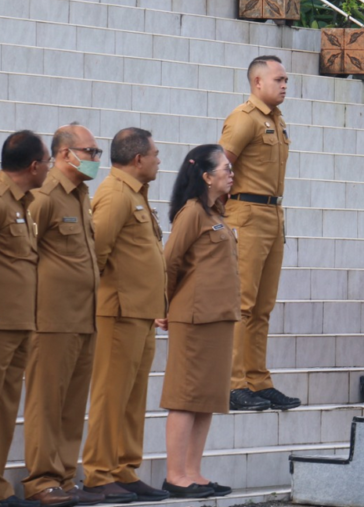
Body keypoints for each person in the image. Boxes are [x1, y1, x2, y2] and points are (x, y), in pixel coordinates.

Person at [81, 128, 171, 503]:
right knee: (110, 394)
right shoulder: (116, 194)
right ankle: (98, 473)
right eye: (155, 153)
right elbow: (95, 255)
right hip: (118, 313)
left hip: (140, 312)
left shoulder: (135, 194)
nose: (158, 159)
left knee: (132, 398)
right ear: (138, 159)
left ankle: (124, 469)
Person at [23, 124, 103, 507]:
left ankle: (65, 478)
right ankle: (41, 480)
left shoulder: (81, 194)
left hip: (84, 318)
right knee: (46, 403)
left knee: (72, 406)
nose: (95, 159)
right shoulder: (45, 195)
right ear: (64, 154)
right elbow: (24, 252)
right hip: (51, 320)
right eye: (90, 152)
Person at [160, 145, 241, 499]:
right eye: (225, 168)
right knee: (185, 397)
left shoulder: (218, 213)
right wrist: (162, 307)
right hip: (193, 318)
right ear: (206, 176)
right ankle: (175, 475)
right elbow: (170, 262)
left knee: (206, 398)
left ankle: (193, 472)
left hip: (219, 317)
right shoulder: (192, 212)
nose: (231, 173)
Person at [220, 55, 299, 412]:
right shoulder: (244, 119)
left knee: (263, 306)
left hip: (272, 213)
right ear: (257, 83)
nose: (284, 85)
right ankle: (234, 383)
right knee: (243, 304)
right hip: (247, 214)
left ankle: (258, 379)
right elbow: (220, 167)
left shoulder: (277, 121)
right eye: (279, 79)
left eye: (286, 80)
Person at [0, 131, 49, 507]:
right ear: (34, 166)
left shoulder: (22, 202)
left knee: (5, 408)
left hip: (19, 323)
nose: (48, 168)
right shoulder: (2, 199)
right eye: (47, 162)